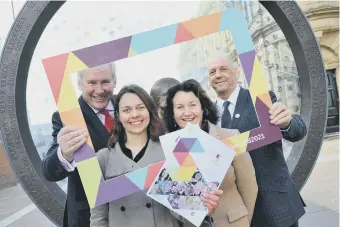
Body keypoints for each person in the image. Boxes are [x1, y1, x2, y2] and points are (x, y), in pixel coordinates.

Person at [90, 84, 222, 227]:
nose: (134, 115)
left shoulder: (174, 150)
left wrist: (201, 207)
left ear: (149, 111)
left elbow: (184, 212)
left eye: (140, 108)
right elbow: (98, 217)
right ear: (118, 116)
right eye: (127, 110)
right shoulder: (103, 160)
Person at [207, 53, 307, 227]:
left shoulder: (260, 99)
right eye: (212, 72)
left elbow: (297, 130)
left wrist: (287, 122)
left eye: (223, 69)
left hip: (274, 206)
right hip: (236, 213)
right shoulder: (208, 116)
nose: (217, 75)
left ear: (236, 71)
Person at [163, 79, 258, 227]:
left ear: (203, 108)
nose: (187, 112)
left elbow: (250, 187)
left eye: (193, 105)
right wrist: (196, 209)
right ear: (173, 114)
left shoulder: (230, 136)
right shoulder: (173, 148)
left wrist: (244, 221)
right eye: (180, 107)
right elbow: (173, 203)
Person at [41, 63, 117, 227]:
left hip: (136, 208)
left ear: (114, 81)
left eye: (105, 81)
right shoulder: (66, 117)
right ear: (79, 84)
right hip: (88, 216)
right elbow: (49, 171)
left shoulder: (131, 106)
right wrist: (64, 154)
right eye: (92, 83)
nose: (99, 90)